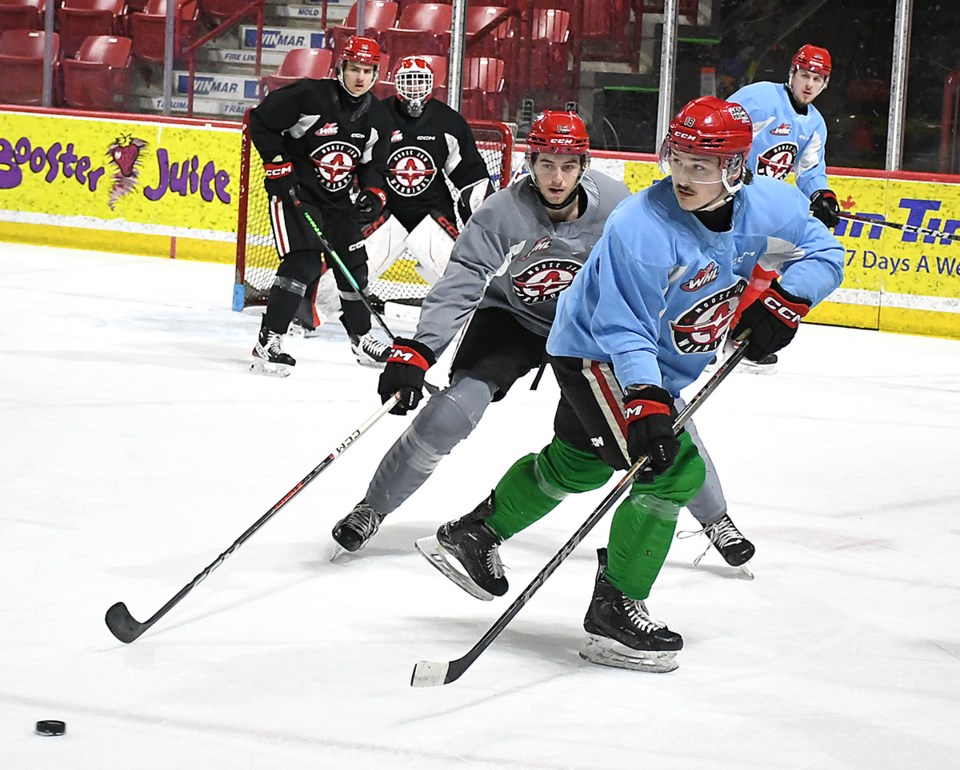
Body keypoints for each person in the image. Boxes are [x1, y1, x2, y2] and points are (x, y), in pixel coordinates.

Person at [416, 96, 844, 673]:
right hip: (600, 356)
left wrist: (789, 300)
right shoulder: (642, 225)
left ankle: (475, 533)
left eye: (702, 166)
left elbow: (823, 251)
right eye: (680, 160)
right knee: (674, 470)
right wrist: (645, 400)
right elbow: (623, 324)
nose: (685, 177)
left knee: (581, 463)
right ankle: (615, 615)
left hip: (655, 362)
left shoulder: (769, 205)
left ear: (736, 170)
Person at [330, 111, 631, 553]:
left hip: (585, 329)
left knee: (656, 416)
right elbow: (464, 279)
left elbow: (643, 272)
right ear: (530, 162)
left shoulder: (616, 205)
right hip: (514, 318)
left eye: (568, 166)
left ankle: (716, 520)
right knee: (448, 414)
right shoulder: (502, 210)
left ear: (585, 166)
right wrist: (419, 349)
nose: (557, 177)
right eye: (546, 164)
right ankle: (371, 508)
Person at [246, 35, 394, 376]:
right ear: (340, 68)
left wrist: (373, 194)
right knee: (303, 262)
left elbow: (375, 165)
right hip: (296, 196)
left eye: (368, 71)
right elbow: (261, 120)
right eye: (354, 68)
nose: (360, 77)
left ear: (375, 75)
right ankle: (269, 339)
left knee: (354, 266)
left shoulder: (378, 116)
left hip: (338, 203)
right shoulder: (309, 96)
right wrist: (277, 164)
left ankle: (362, 338)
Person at [725, 44, 839, 373]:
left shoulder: (815, 124)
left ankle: (739, 335)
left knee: (767, 268)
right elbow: (724, 124)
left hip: (765, 205)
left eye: (817, 78)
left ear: (825, 83)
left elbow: (810, 170)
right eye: (804, 75)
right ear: (792, 73)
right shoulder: (761, 97)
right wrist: (732, 163)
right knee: (723, 266)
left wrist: (822, 195)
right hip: (732, 196)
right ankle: (704, 330)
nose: (809, 84)